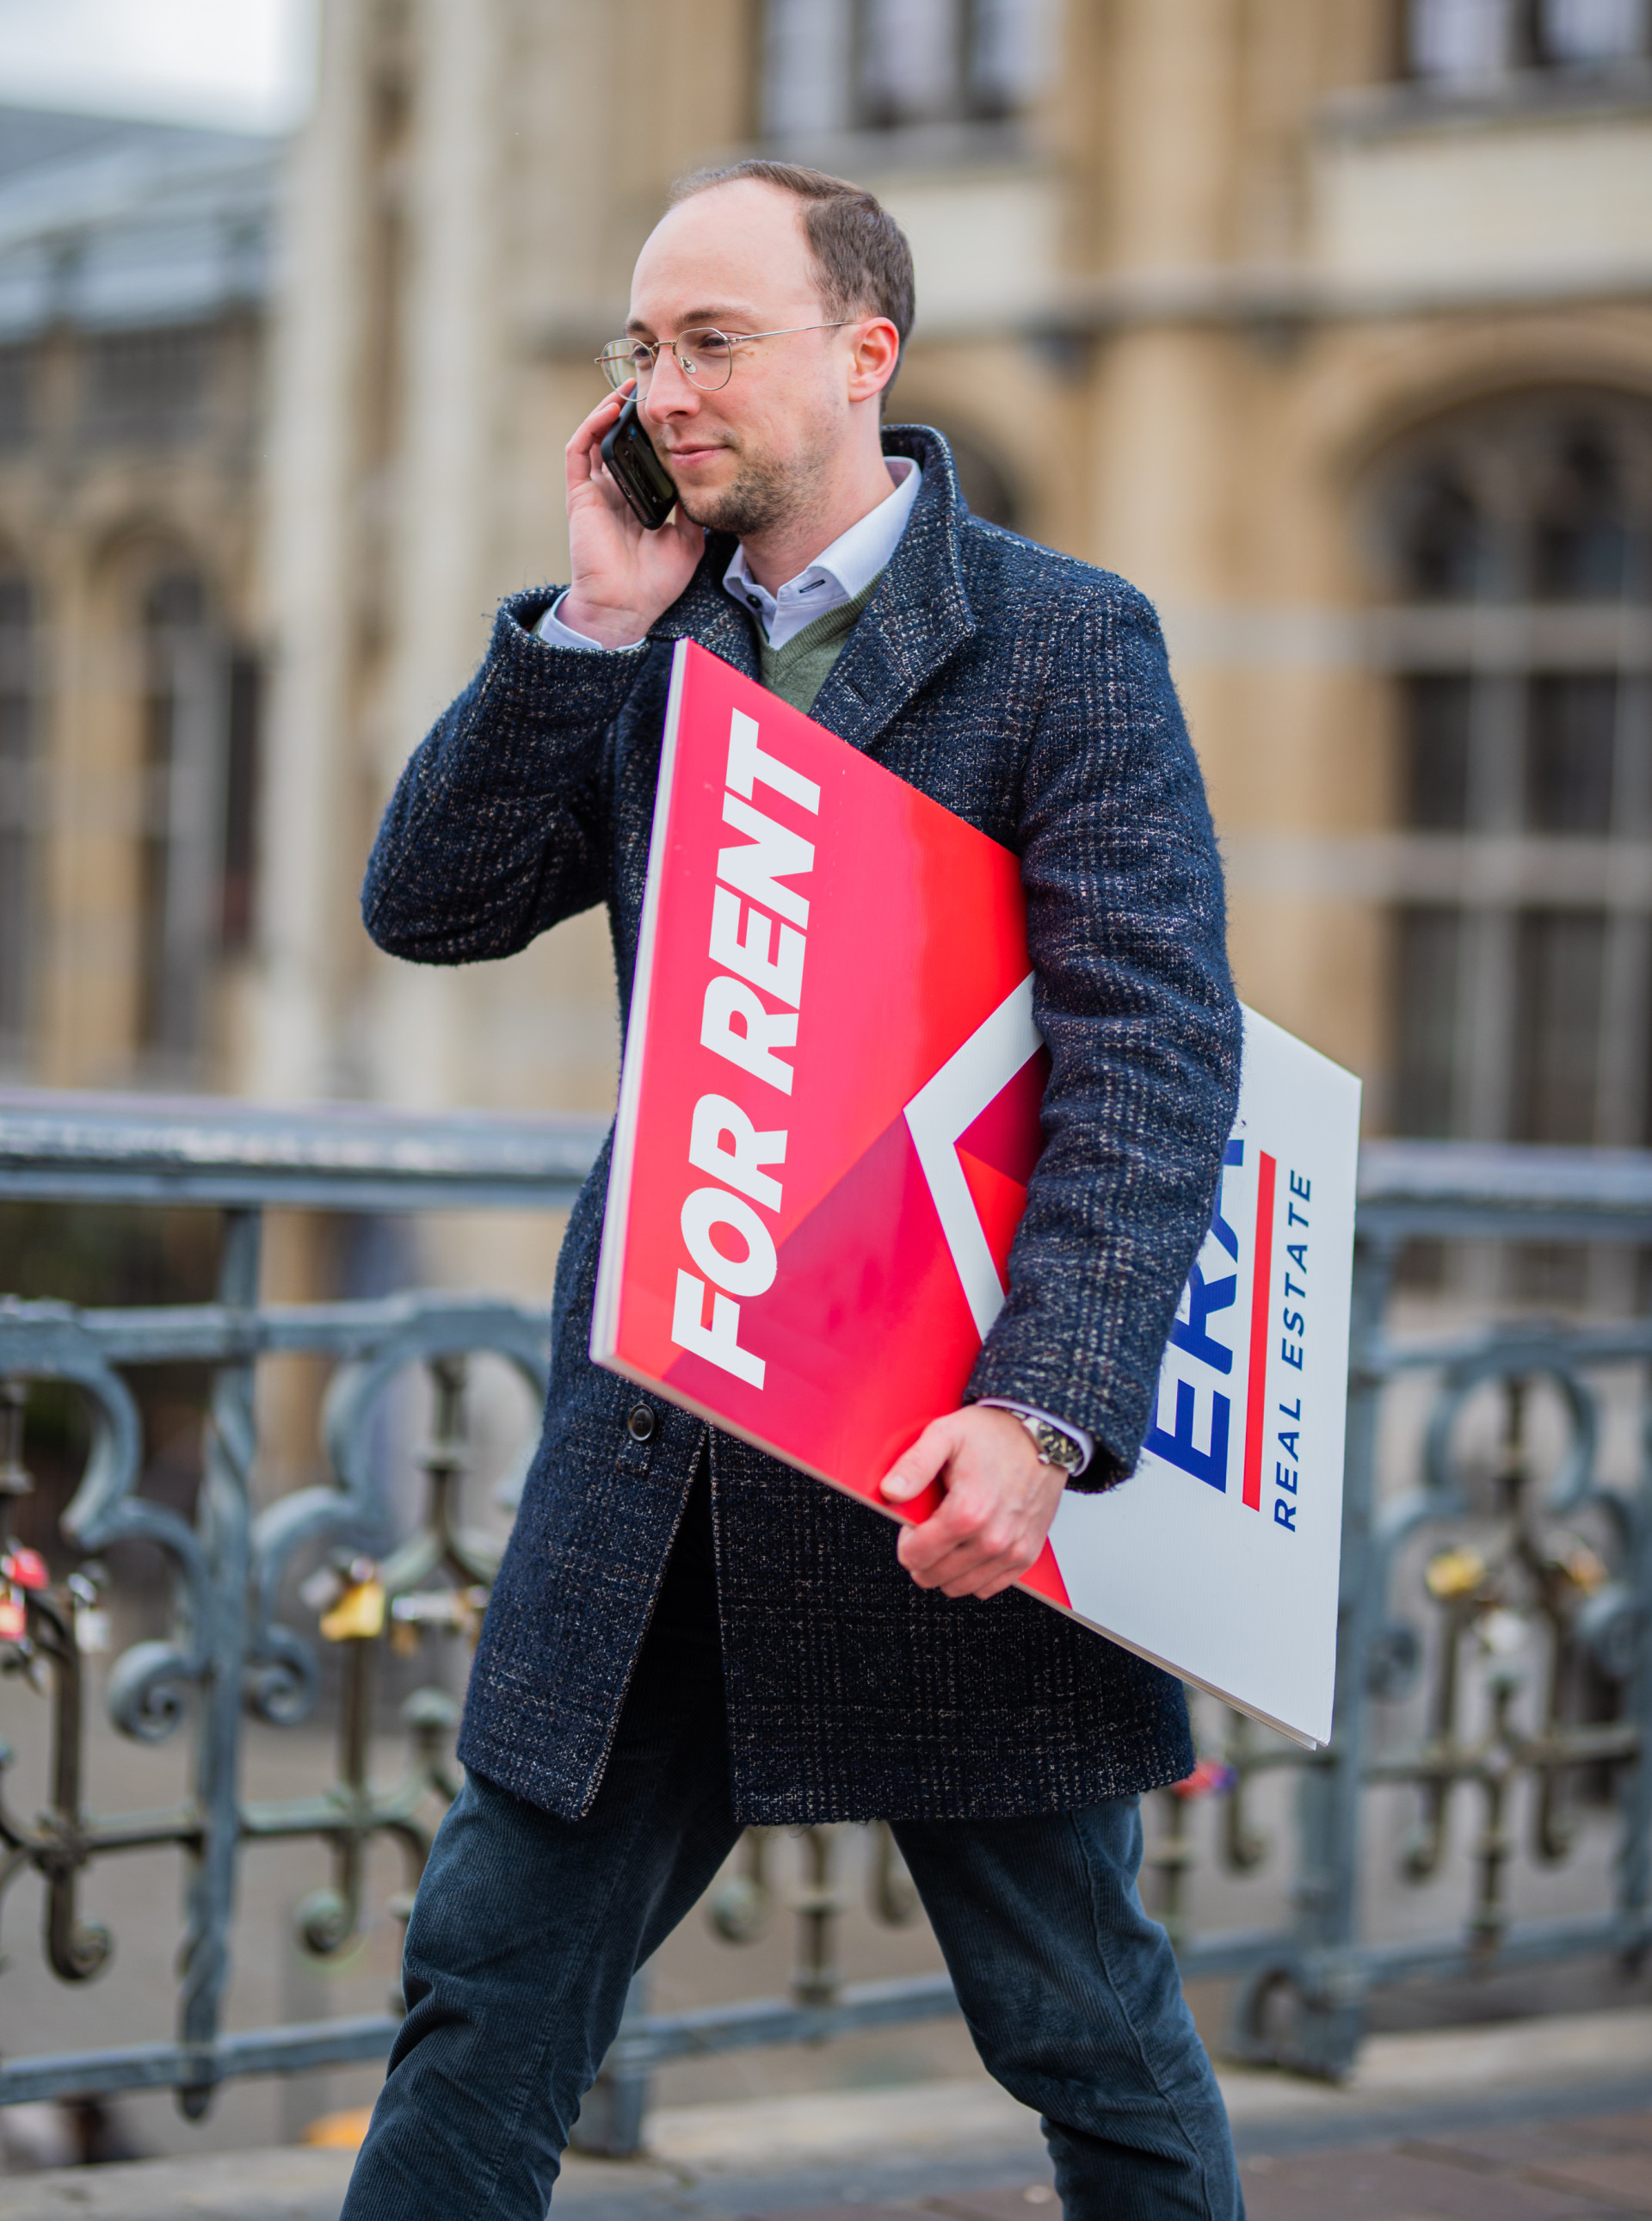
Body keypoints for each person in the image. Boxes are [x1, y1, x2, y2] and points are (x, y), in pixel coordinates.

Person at [342, 161, 1245, 2221]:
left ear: (865, 351)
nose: (665, 389)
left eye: (713, 341)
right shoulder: (647, 644)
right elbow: (432, 907)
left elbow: (1152, 1054)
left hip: (939, 1453)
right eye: (641, 348)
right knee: (486, 1994)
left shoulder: (1062, 644)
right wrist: (584, 623)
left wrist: (1045, 1415)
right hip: (662, 1446)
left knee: (1083, 2026)